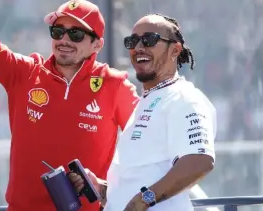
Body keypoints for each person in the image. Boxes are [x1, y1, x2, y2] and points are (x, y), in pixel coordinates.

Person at [0, 0, 139, 211]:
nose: (64, 40)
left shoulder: (114, 84)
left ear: (97, 44)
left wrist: (112, 187)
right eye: (58, 31)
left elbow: (145, 139)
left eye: (76, 34)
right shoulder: (26, 72)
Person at [69, 14, 217, 211]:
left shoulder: (184, 97)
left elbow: (199, 161)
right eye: (132, 41)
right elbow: (143, 176)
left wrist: (144, 199)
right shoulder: (147, 101)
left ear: (175, 50)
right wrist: (103, 189)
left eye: (149, 39)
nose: (139, 47)